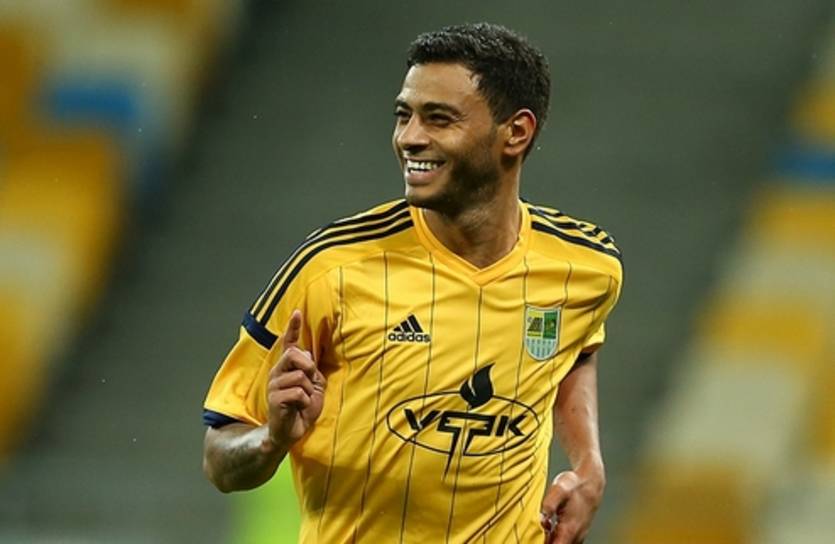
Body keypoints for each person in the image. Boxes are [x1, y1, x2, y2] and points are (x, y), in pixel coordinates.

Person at [202, 22, 622, 544]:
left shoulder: (587, 265)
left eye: (438, 118)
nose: (409, 138)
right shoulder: (331, 268)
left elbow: (577, 349)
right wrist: (271, 439)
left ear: (516, 133)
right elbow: (219, 456)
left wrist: (588, 463)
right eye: (404, 115)